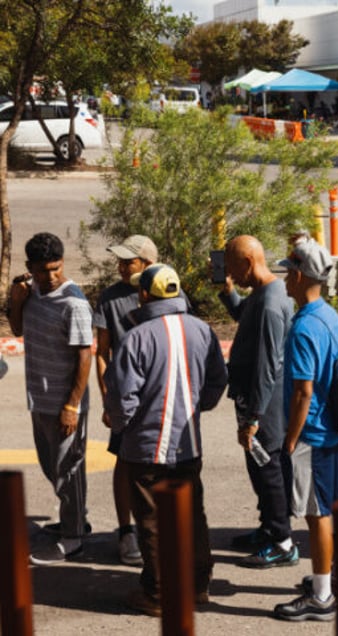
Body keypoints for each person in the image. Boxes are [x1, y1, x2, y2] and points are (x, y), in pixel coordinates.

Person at [104, 264, 227, 616]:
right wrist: (195, 407)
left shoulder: (137, 337)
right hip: (188, 444)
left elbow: (122, 397)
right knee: (193, 516)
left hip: (146, 448)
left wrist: (121, 424)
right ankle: (199, 585)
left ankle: (158, 594)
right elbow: (218, 380)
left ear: (144, 294)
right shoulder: (202, 330)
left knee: (153, 522)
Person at [273, 238, 338, 622]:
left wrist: (290, 438)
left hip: (312, 433)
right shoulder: (330, 315)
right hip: (331, 428)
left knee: (316, 514)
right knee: (330, 508)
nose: (285, 278)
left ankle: (322, 597)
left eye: (288, 271)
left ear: (300, 275)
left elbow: (303, 391)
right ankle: (328, 577)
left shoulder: (303, 327)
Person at [9, 233, 93, 565]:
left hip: (64, 405)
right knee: (52, 467)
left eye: (56, 268)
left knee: (68, 470)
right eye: (43, 270)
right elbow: (17, 329)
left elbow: (85, 356)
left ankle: (74, 538)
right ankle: (75, 520)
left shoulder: (73, 302)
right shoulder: (30, 293)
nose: (51, 276)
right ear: (30, 267)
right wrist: (17, 300)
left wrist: (72, 405)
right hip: (39, 399)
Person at [218, 236, 299, 569]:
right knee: (260, 466)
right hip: (256, 400)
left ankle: (282, 541)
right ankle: (268, 528)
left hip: (264, 403)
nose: (232, 274)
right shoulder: (261, 294)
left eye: (233, 268)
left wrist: (254, 416)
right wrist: (227, 292)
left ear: (248, 262)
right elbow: (244, 317)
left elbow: (268, 367)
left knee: (269, 469)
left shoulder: (269, 303)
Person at [94, 235, 160, 567]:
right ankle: (125, 531)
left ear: (147, 265)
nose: (121, 267)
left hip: (160, 397)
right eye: (119, 261)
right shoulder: (109, 298)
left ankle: (161, 530)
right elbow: (102, 353)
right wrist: (108, 399)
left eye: (128, 262)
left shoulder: (167, 291)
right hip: (126, 397)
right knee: (123, 462)